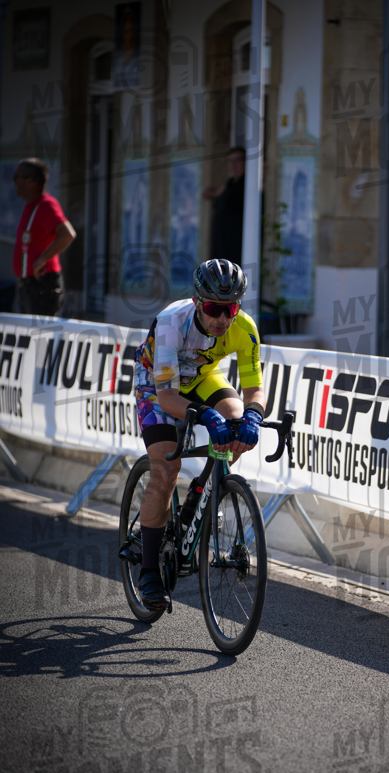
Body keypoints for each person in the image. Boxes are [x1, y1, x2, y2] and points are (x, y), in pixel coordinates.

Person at [133, 258, 266, 608]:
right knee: (165, 468)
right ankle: (148, 571)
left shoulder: (245, 329)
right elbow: (167, 396)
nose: (223, 319)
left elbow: (253, 389)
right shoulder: (170, 324)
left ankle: (204, 490)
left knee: (236, 420)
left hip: (202, 377)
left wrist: (252, 417)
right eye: (213, 309)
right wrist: (206, 414)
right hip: (158, 386)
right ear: (197, 302)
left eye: (230, 309)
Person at [12, 158, 76, 316]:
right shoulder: (31, 206)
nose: (14, 182)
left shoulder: (46, 205)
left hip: (42, 286)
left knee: (39, 338)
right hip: (29, 287)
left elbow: (68, 234)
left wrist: (42, 260)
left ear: (30, 181)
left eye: (17, 177)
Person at [203, 147, 246, 264]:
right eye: (230, 161)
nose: (233, 165)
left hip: (234, 246)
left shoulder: (246, 183)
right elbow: (218, 193)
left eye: (238, 160)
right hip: (221, 244)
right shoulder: (231, 182)